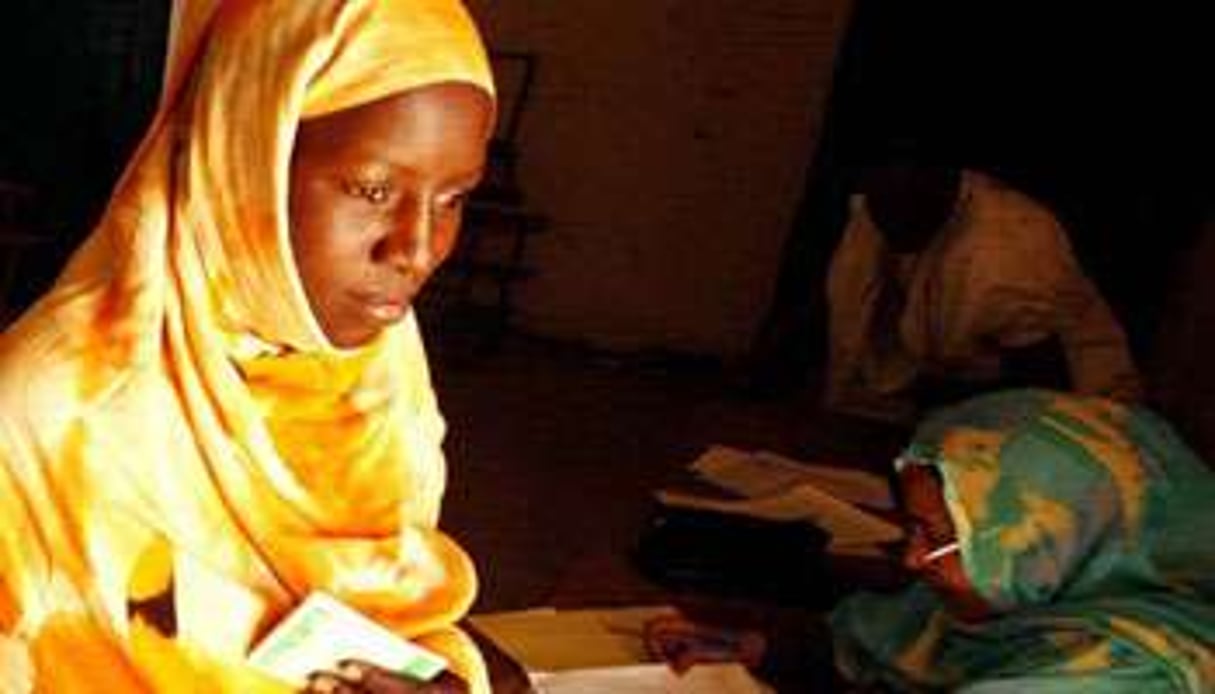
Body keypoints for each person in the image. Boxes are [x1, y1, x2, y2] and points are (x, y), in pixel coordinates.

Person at [0, 0, 497, 691]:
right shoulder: (51, 416)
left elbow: (402, 614)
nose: (416, 250)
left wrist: (438, 678)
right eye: (373, 189)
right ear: (242, 162)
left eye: (453, 199)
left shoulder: (380, 378)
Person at [648, 390, 1215, 692]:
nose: (914, 559)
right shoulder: (1018, 594)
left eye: (944, 537)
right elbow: (872, 648)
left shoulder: (1129, 674)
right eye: (912, 528)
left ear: (1060, 539)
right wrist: (741, 649)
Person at [825, 160, 1141, 424]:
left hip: (1074, 418)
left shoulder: (1007, 252)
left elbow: (1041, 392)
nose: (888, 225)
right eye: (882, 209)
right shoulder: (891, 209)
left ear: (944, 189)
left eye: (902, 213)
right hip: (976, 405)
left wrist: (938, 395)